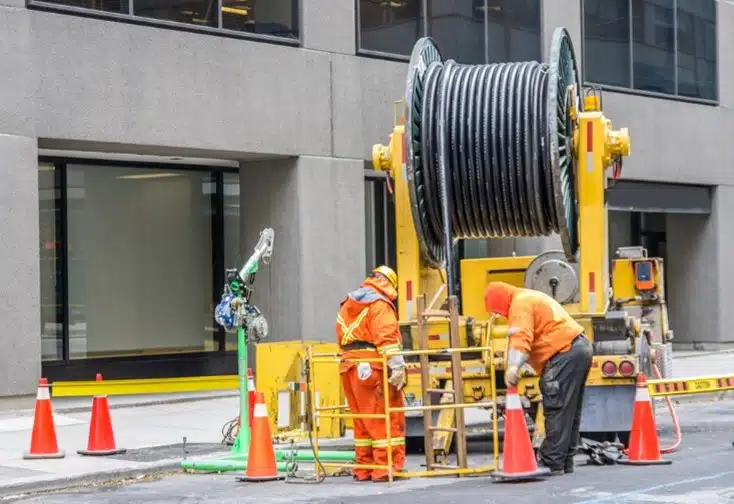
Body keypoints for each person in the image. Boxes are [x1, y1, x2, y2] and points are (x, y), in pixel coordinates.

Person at [484, 281, 593, 476]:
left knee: (557, 406)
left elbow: (521, 337)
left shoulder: (519, 304)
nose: (501, 316)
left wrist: (513, 367)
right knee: (570, 409)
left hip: (563, 351)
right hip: (578, 348)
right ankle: (564, 460)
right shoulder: (529, 296)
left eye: (498, 311)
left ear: (500, 302)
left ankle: (551, 461)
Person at [336, 265, 407, 482]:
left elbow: (341, 338)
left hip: (348, 367)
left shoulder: (348, 304)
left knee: (362, 421)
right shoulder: (379, 304)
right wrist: (397, 367)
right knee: (383, 417)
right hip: (372, 366)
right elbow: (386, 337)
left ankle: (364, 468)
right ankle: (386, 468)